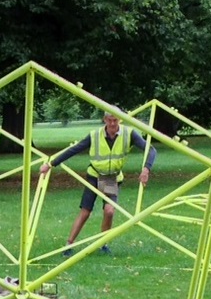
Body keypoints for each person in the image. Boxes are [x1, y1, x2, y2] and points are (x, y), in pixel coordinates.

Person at [39, 110, 157, 256]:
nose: (113, 123)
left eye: (115, 120)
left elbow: (151, 150)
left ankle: (103, 244)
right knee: (85, 211)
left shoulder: (129, 134)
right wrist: (50, 164)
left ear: (120, 119)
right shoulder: (95, 135)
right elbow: (74, 150)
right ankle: (68, 244)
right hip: (94, 175)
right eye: (109, 120)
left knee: (109, 211)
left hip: (110, 178)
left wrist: (146, 170)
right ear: (104, 120)